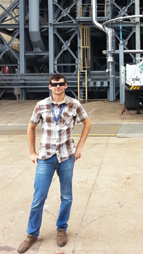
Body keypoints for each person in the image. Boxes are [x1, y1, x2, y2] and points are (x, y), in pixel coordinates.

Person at [17, 74, 91, 253]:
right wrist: (32, 152)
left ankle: (61, 228)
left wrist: (79, 147)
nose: (58, 87)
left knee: (66, 196)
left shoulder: (74, 104)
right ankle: (32, 234)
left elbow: (87, 123)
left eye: (60, 84)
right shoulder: (41, 105)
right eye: (54, 84)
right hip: (46, 157)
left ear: (65, 85)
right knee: (39, 197)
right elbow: (31, 127)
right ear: (49, 87)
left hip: (66, 157)